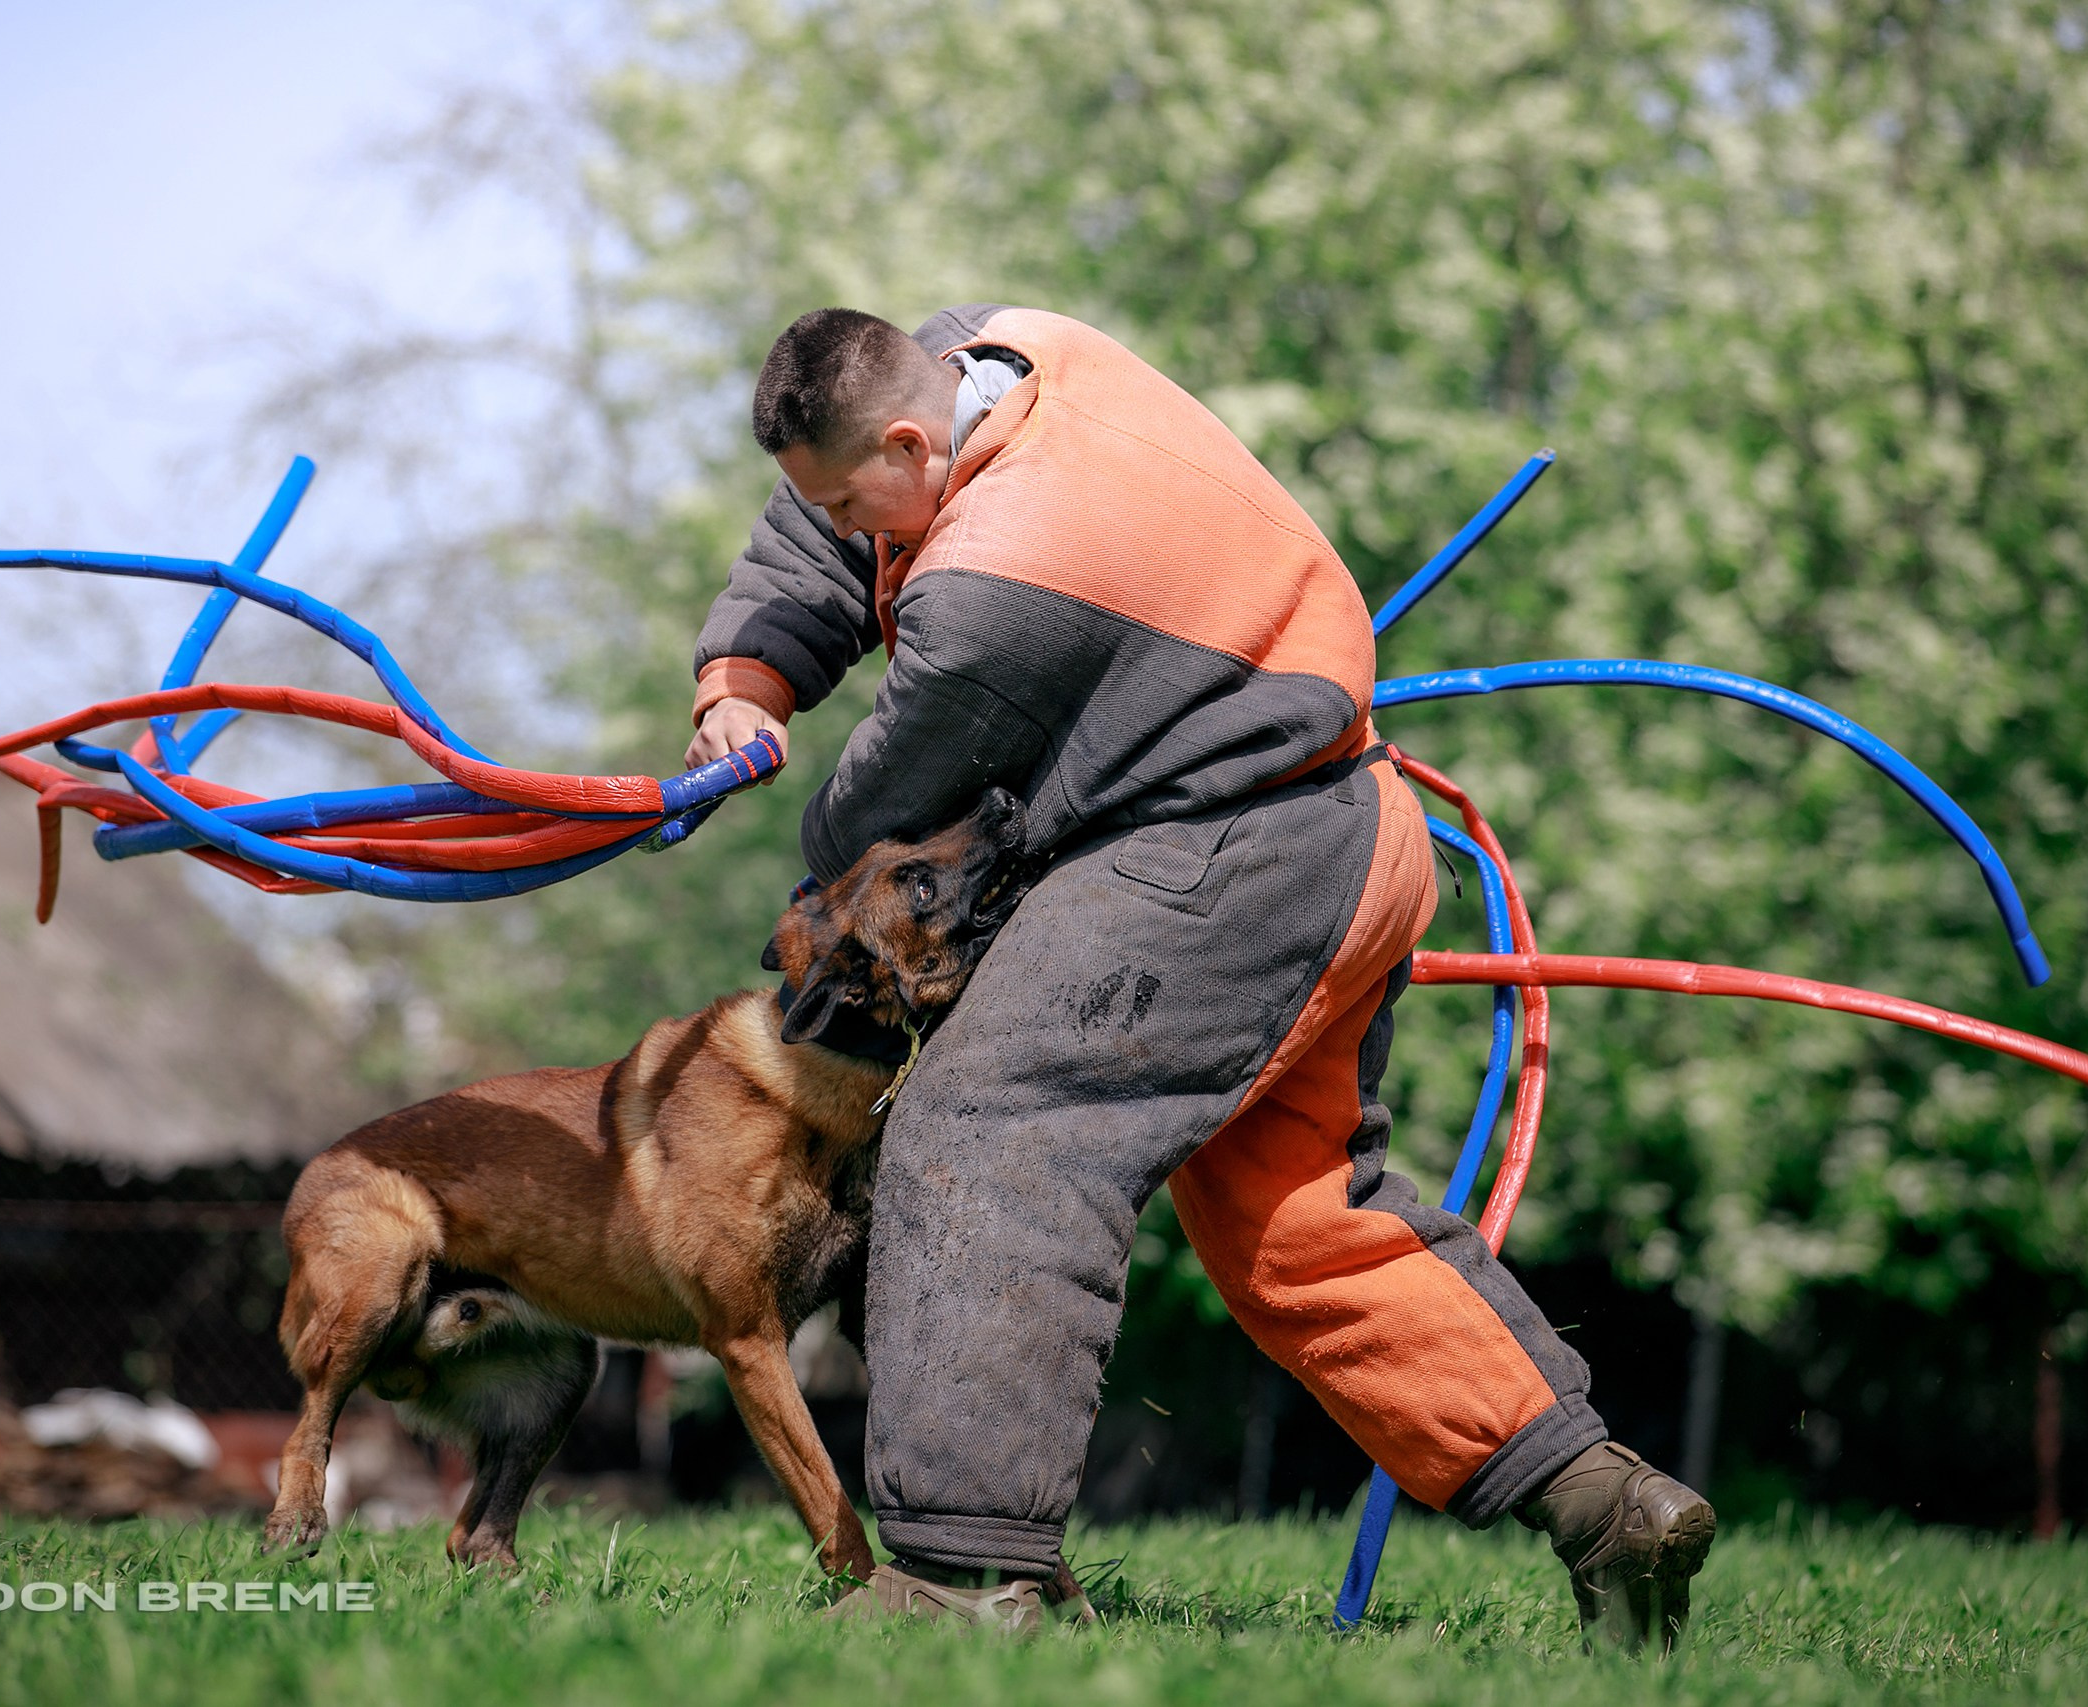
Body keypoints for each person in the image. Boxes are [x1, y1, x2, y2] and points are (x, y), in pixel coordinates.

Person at [685, 304, 1715, 1645]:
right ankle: (1605, 1508)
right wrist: (745, 678)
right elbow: (819, 525)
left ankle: (960, 1579)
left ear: (907, 440)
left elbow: (880, 810)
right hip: (1349, 831)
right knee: (1297, 1221)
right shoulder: (1003, 343)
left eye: (857, 503)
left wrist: (815, 880)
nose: (852, 533)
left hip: (1226, 862)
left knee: (996, 1128)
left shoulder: (997, 583)